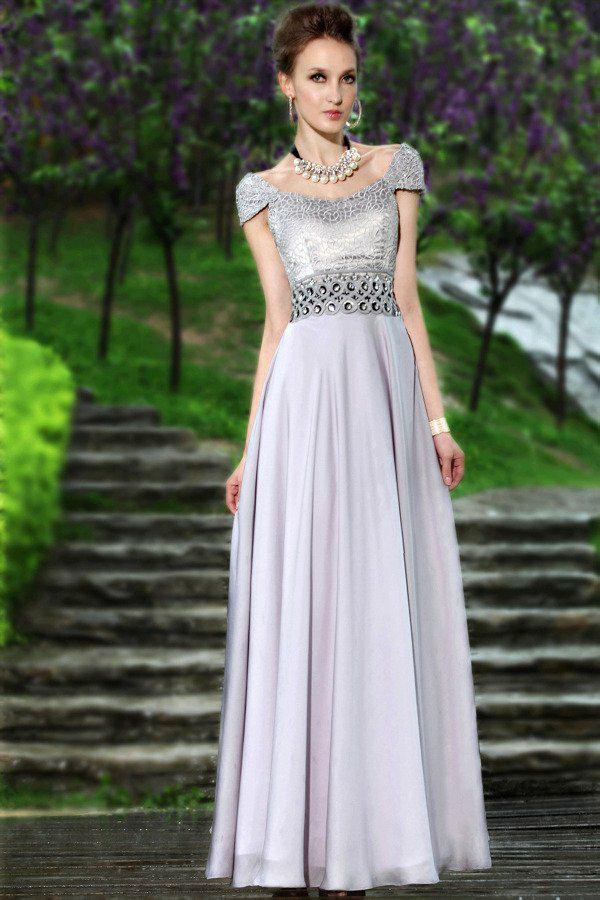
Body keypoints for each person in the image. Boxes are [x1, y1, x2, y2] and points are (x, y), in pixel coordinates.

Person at [205, 3, 492, 896]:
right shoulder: (261, 192)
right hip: (301, 409)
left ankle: (377, 836)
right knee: (313, 607)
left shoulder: (396, 168)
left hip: (383, 406)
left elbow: (406, 299)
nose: (336, 93)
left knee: (377, 602)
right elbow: (276, 324)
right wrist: (250, 450)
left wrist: (438, 423)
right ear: (286, 86)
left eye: (348, 76)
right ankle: (308, 843)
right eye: (318, 77)